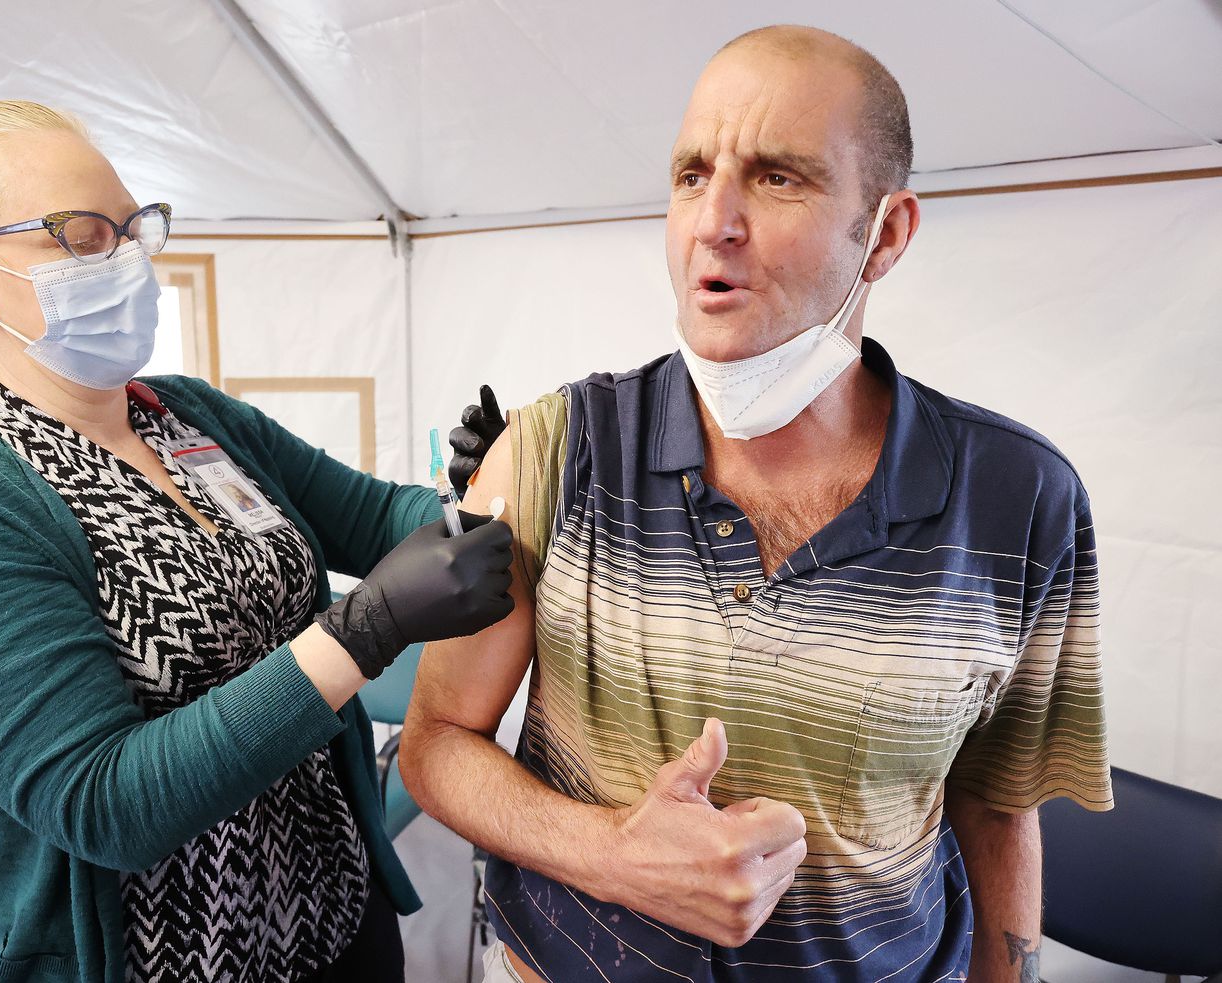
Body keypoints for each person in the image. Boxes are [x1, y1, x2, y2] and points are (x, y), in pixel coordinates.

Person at [405, 25, 1111, 983]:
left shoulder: (1021, 501)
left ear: (887, 233)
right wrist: (611, 852)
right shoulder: (555, 450)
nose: (713, 221)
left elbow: (996, 806)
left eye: (778, 178)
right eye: (693, 174)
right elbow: (437, 743)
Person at [0, 100, 514, 983]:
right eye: (80, 237)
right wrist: (364, 631)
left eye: (129, 230)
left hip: (333, 926)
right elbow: (106, 804)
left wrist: (482, 486)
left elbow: (386, 520)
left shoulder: (189, 416)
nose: (121, 261)